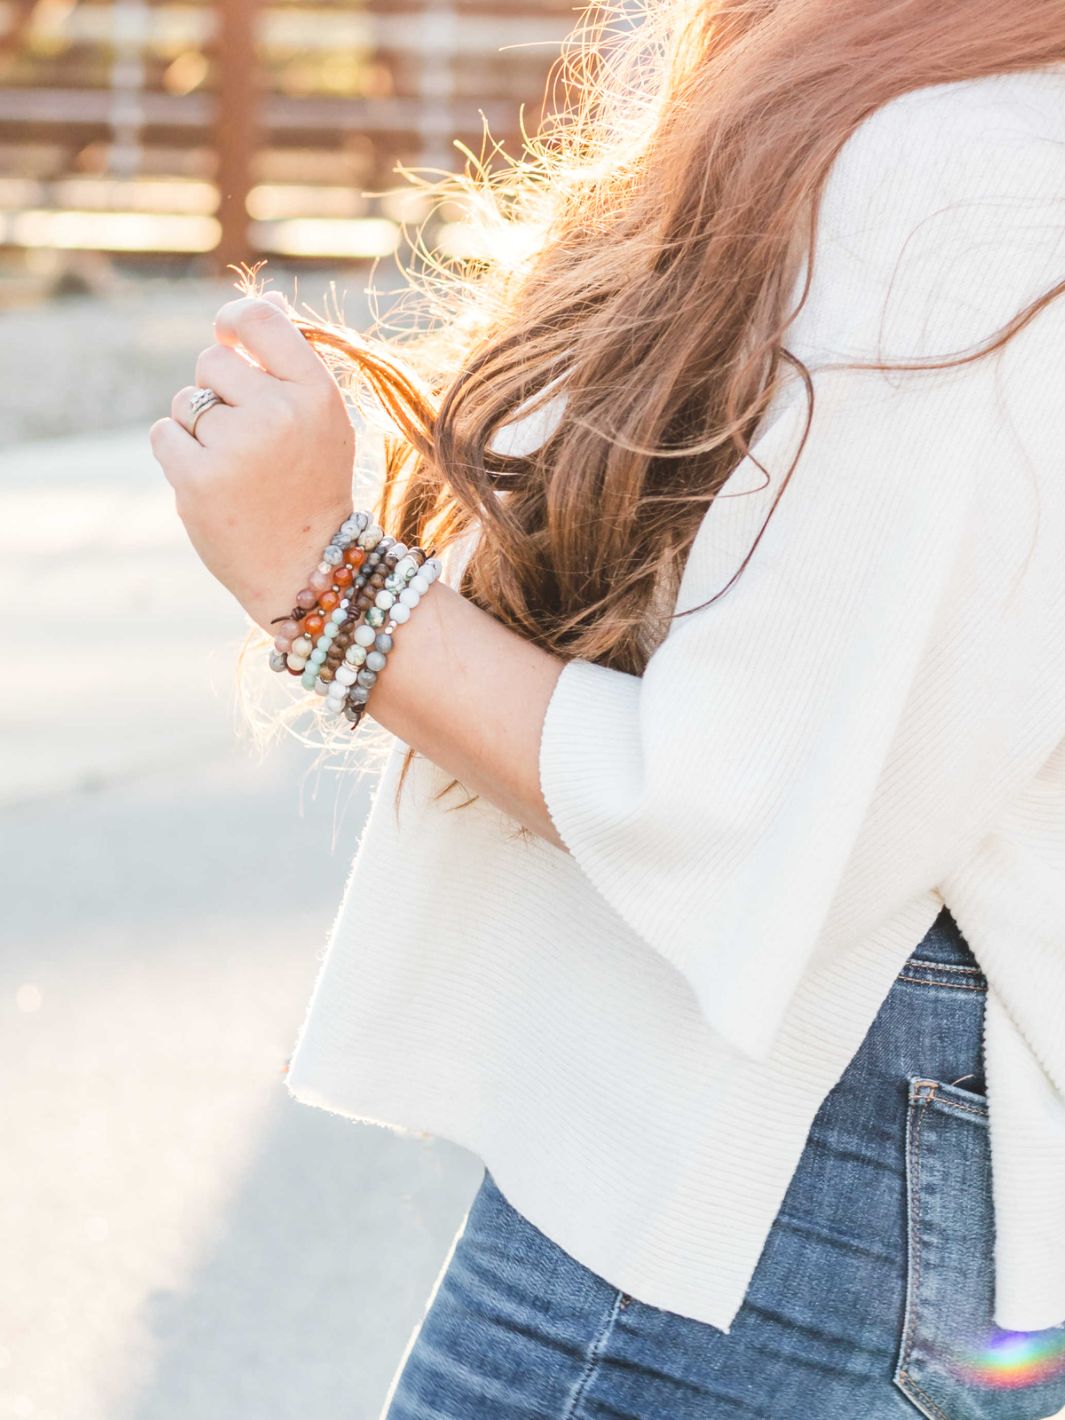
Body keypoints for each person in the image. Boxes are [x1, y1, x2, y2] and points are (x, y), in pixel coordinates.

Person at [149, 2, 1065, 1415]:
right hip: (879, 1163)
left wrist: (318, 580)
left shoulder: (966, 167)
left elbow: (738, 808)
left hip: (802, 1163)